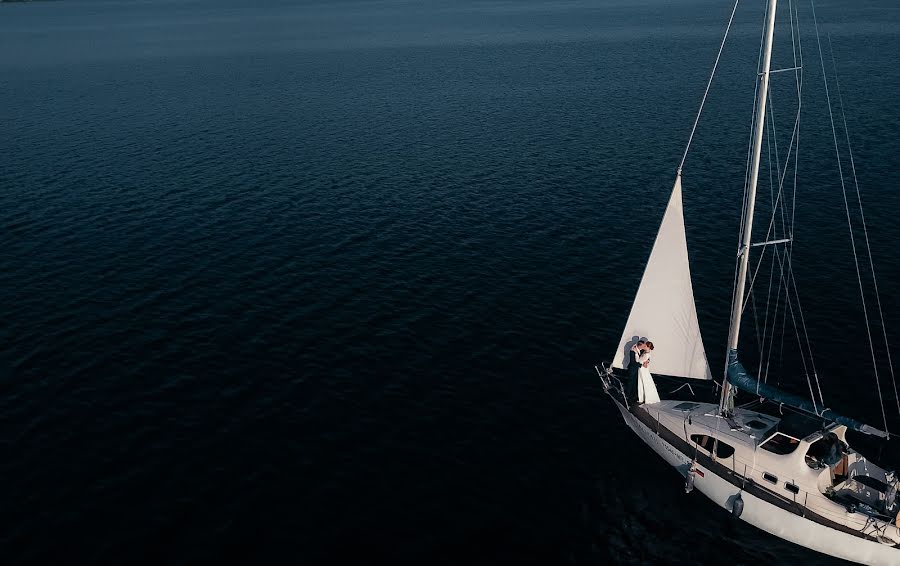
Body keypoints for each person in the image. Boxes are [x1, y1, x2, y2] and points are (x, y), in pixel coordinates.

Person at [626, 340, 645, 405]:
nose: (643, 347)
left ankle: (634, 395)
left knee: (634, 382)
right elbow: (632, 362)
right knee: (631, 382)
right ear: (640, 345)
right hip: (632, 369)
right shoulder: (632, 351)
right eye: (643, 346)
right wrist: (640, 365)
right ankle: (628, 395)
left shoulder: (639, 349)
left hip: (635, 369)